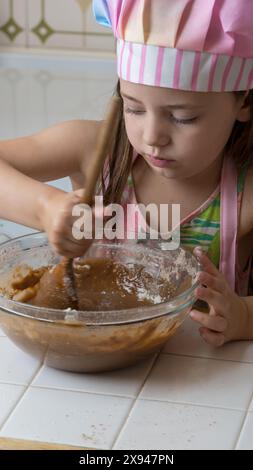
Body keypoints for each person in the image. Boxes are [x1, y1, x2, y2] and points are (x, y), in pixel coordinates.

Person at [0, 0, 253, 346]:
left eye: (183, 117)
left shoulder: (244, 190)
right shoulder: (93, 151)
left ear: (245, 103)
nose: (152, 137)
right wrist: (46, 207)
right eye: (134, 108)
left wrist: (242, 316)